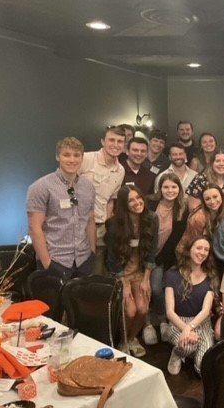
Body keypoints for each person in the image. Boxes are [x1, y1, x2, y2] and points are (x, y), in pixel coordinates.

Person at [27, 137, 96, 278]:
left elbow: (90, 220)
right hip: (55, 261)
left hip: (84, 261)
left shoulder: (88, 187)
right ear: (58, 157)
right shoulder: (41, 187)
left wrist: (92, 253)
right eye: (66, 155)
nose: (72, 160)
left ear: (82, 158)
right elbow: (35, 228)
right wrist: (47, 263)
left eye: (76, 155)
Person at [106, 185, 158, 357]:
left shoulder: (151, 218)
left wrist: (146, 279)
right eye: (131, 200)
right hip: (121, 273)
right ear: (124, 204)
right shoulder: (114, 224)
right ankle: (122, 341)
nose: (137, 202)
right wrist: (124, 283)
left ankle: (132, 338)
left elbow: (151, 251)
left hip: (140, 271)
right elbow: (112, 258)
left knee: (143, 309)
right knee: (130, 310)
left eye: (138, 198)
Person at [143, 172, 188, 346]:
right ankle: (146, 323)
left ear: (179, 189)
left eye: (174, 187)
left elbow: (175, 239)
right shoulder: (150, 203)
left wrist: (156, 260)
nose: (170, 190)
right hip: (141, 254)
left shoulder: (181, 209)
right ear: (159, 188)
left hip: (160, 257)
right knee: (142, 290)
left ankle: (162, 320)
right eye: (166, 187)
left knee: (156, 289)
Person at [164, 236, 218, 375]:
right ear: (189, 249)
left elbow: (205, 311)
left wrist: (190, 327)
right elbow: (169, 312)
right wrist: (186, 329)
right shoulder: (171, 274)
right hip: (179, 321)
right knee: (187, 346)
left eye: (206, 250)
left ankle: (194, 352)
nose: (202, 252)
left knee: (203, 368)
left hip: (202, 322)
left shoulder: (210, 276)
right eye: (199, 248)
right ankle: (177, 353)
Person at [79, 125, 126, 276]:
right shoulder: (86, 159)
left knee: (96, 271)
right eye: (111, 140)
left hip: (100, 227)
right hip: (79, 226)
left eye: (120, 141)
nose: (115, 144)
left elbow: (111, 200)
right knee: (77, 271)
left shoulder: (120, 170)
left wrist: (107, 225)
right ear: (102, 141)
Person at [177, 185, 224, 260]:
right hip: (189, 254)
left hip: (209, 252)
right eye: (207, 199)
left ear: (221, 196)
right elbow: (192, 245)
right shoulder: (198, 218)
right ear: (204, 202)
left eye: (215, 197)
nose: (212, 201)